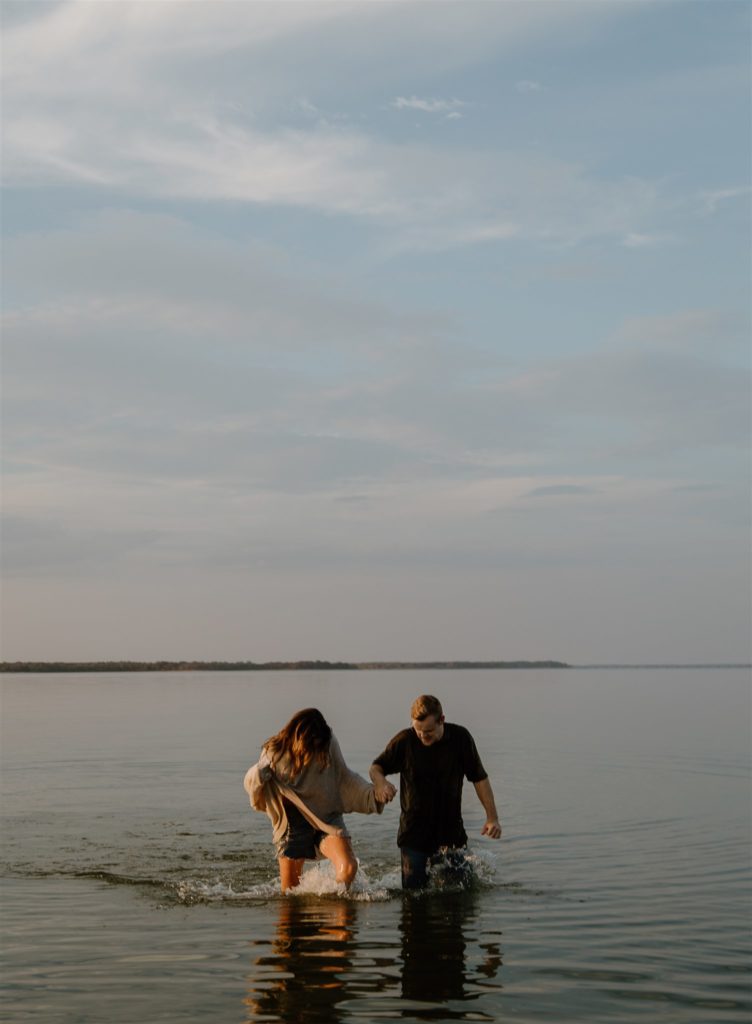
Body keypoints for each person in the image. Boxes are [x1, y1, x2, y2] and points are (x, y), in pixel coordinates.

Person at [369, 694, 501, 889]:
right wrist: (380, 783)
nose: (423, 736)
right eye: (418, 730)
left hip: (451, 833)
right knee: (413, 898)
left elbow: (479, 778)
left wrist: (492, 818)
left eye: (429, 731)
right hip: (413, 835)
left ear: (442, 720)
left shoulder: (460, 738)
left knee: (460, 895)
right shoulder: (405, 740)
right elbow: (376, 767)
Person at [244, 707, 383, 892]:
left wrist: (373, 795)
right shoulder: (274, 753)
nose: (318, 750)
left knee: (348, 867)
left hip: (326, 820)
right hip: (291, 827)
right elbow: (251, 785)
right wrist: (259, 774)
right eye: (313, 745)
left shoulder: (328, 741)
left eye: (320, 745)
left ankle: (335, 911)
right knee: (289, 895)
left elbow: (343, 778)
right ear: (300, 738)